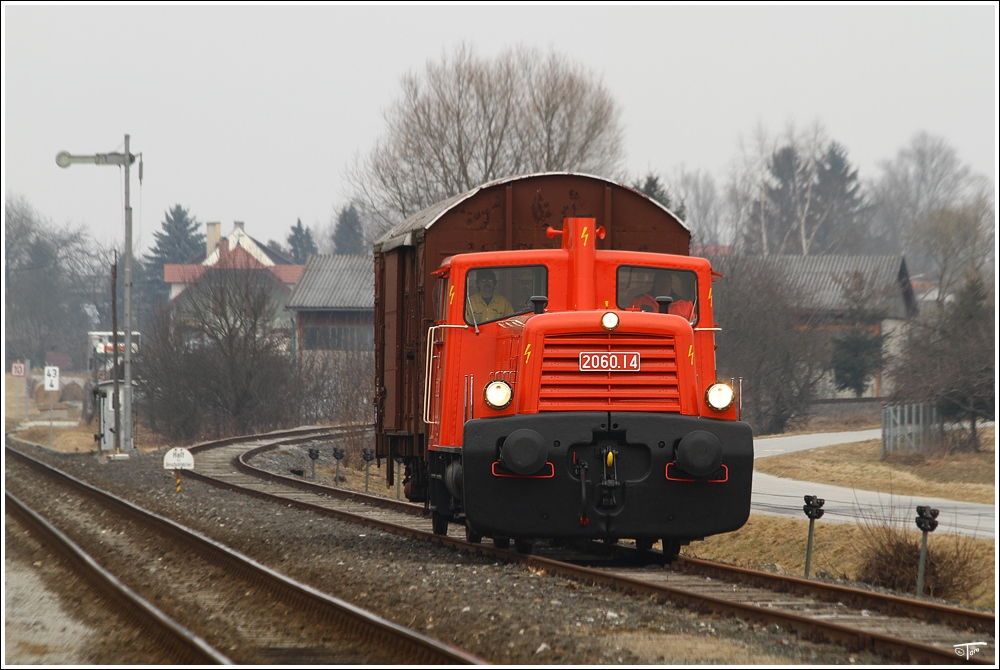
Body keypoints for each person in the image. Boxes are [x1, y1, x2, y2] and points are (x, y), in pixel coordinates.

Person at [629, 271, 695, 319]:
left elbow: (693, 325)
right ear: (654, 283)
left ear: (671, 284)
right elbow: (631, 320)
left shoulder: (686, 304)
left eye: (666, 282)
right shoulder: (638, 301)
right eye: (660, 282)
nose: (663, 285)